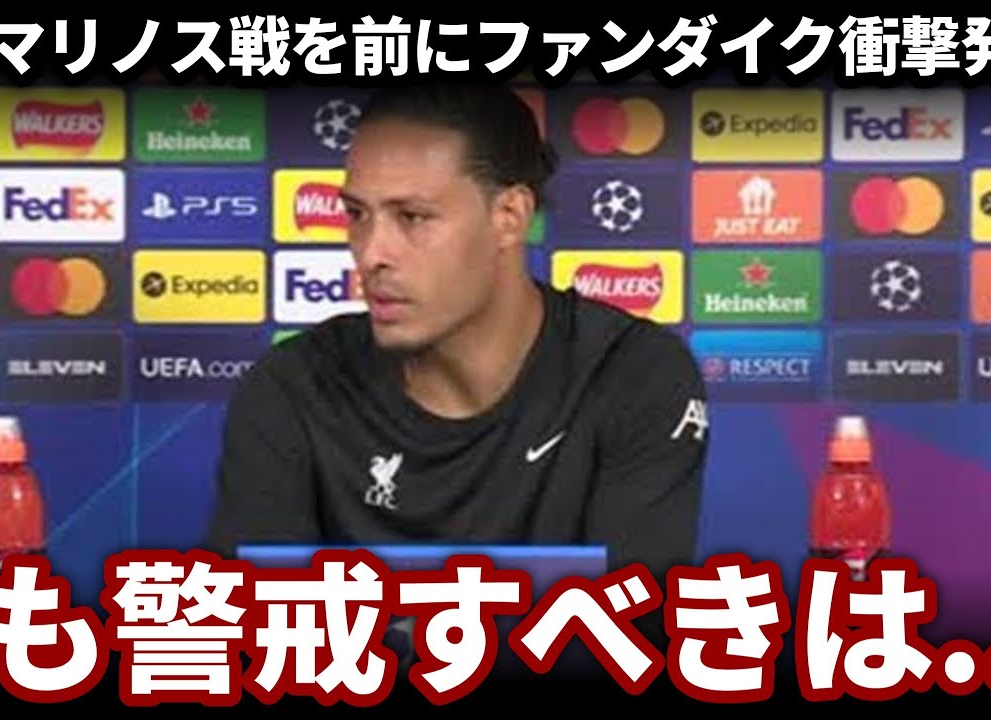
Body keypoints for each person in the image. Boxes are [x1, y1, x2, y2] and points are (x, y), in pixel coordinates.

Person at [205, 83, 710, 640]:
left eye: (412, 217)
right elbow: (257, 640)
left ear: (509, 216)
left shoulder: (633, 374)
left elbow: (627, 641)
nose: (371, 253)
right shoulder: (291, 387)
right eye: (357, 214)